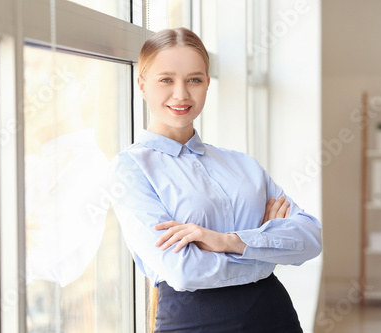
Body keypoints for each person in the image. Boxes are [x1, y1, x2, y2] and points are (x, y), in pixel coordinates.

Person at [108, 27, 322, 333]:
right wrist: (264, 253)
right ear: (142, 84)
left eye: (194, 79)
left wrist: (226, 242)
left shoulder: (242, 164)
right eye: (166, 79)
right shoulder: (130, 169)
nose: (181, 94)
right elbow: (183, 271)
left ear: (208, 83)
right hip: (195, 323)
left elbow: (310, 238)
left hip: (274, 318)